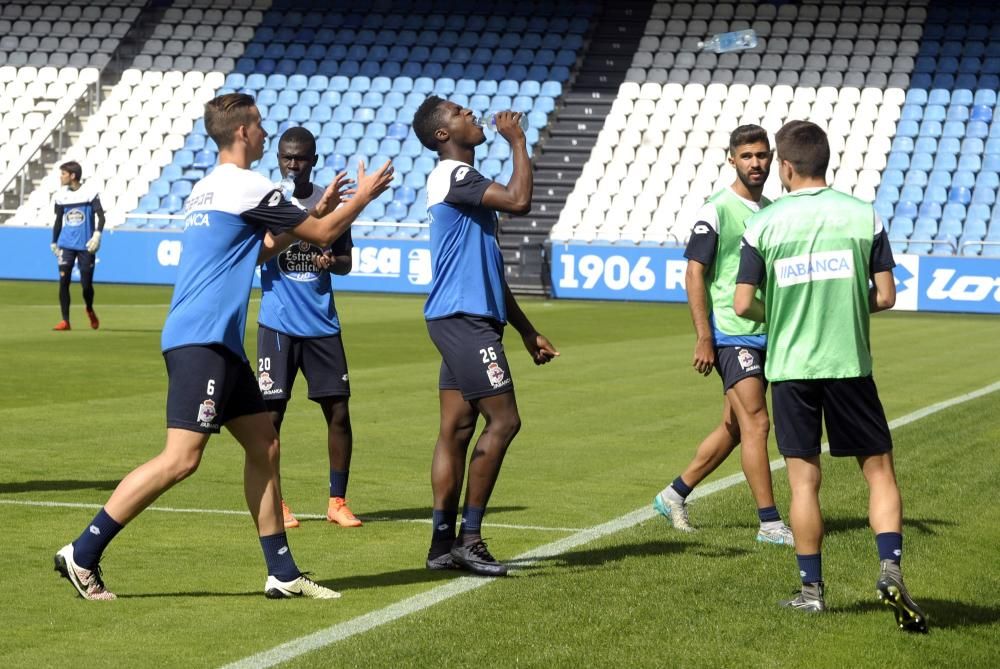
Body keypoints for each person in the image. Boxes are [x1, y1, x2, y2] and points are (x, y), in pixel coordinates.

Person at [53, 93, 393, 601]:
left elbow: (259, 250)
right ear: (241, 133)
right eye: (258, 126)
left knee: (265, 444)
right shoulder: (249, 184)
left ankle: (281, 572)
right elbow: (322, 234)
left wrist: (316, 208)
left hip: (216, 341)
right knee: (181, 458)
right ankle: (83, 552)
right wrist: (361, 196)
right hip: (203, 338)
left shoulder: (206, 189)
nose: (263, 135)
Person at [734, 120, 927, 632]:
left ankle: (812, 592)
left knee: (804, 482)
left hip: (793, 369)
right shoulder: (863, 215)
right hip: (849, 365)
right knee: (879, 471)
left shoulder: (764, 225)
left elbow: (743, 304)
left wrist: (782, 314)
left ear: (786, 166)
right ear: (826, 162)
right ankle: (890, 568)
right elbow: (886, 295)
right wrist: (847, 306)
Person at [412, 97, 558, 576]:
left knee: (456, 431)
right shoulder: (454, 176)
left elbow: (489, 269)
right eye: (460, 113)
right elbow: (521, 201)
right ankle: (469, 539)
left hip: (468, 317)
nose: (472, 114)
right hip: (464, 319)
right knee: (505, 421)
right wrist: (518, 141)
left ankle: (440, 545)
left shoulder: (463, 187)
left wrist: (525, 329)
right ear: (442, 134)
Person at [652, 125, 793, 546]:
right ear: (731, 158)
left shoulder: (770, 210)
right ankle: (769, 524)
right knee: (757, 423)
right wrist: (704, 336)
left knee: (734, 427)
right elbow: (695, 272)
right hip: (732, 333)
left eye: (762, 155)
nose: (756, 163)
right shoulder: (716, 209)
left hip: (769, 330)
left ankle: (673, 495)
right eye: (747, 156)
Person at [257, 127, 361, 529]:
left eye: (300, 158)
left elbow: (347, 261)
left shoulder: (329, 201)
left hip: (321, 325)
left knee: (338, 411)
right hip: (277, 325)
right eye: (286, 157)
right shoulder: (268, 201)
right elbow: (261, 253)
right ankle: (277, 503)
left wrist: (329, 263)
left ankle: (337, 501)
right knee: (270, 418)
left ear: (313, 160)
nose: (292, 164)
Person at [50, 161, 104, 331]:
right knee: (63, 281)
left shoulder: (90, 193)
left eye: (63, 174)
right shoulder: (60, 196)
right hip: (66, 244)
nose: (61, 177)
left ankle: (89, 308)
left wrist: (97, 234)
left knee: (86, 284)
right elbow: (58, 220)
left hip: (85, 245)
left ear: (72, 176)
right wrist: (54, 241)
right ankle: (65, 320)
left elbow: (101, 217)